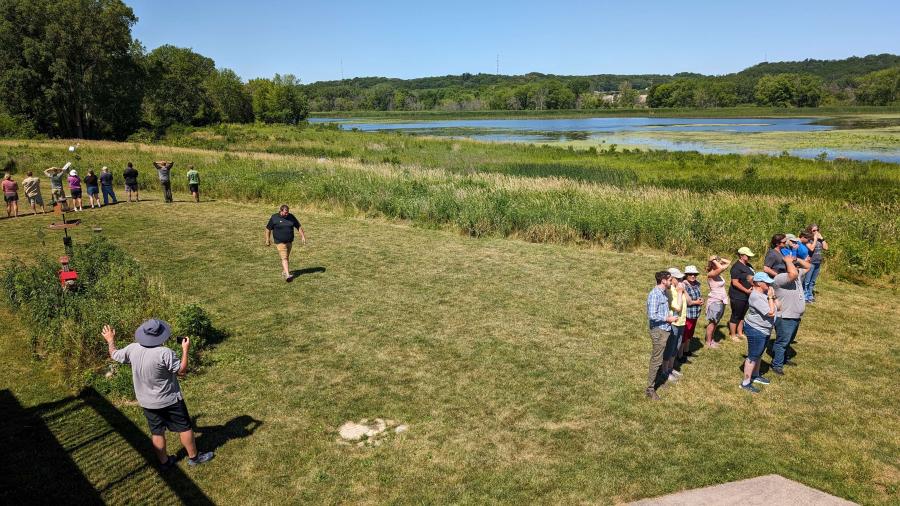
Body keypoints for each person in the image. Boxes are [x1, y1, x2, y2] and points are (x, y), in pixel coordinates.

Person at [102, 319, 214, 469]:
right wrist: (185, 350)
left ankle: (164, 462)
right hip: (170, 400)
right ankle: (194, 458)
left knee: (157, 432)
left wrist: (110, 340)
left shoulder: (132, 349)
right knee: (184, 427)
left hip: (147, 402)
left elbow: (114, 354)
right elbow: (181, 372)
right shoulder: (165, 353)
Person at [770, 252, 811, 376]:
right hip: (785, 317)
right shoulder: (780, 278)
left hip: (795, 316)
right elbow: (792, 274)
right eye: (794, 265)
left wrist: (796, 259)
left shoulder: (796, 275)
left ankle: (784, 358)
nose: (796, 267)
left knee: (788, 341)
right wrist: (788, 261)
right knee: (782, 341)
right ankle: (777, 364)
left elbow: (808, 266)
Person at [740, 272, 777, 393]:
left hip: (764, 329)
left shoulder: (764, 294)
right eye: (767, 282)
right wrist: (771, 298)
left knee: (759, 354)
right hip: (756, 329)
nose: (769, 284)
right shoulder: (756, 296)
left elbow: (779, 307)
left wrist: (772, 297)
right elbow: (771, 312)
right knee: (752, 356)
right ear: (759, 283)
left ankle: (755, 376)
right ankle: (745, 383)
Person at [645, 271, 679, 400]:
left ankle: (660, 380)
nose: (672, 281)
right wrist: (667, 319)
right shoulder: (654, 295)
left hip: (665, 329)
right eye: (670, 279)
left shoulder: (664, 292)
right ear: (663, 280)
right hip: (659, 331)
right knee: (656, 360)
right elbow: (652, 315)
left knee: (661, 357)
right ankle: (650, 389)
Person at [265, 204, 307, 282]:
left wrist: (303, 236)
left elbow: (298, 226)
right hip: (280, 242)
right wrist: (267, 239)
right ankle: (288, 275)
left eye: (288, 212)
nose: (287, 214)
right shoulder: (274, 218)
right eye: (285, 212)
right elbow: (268, 229)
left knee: (287, 257)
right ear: (281, 211)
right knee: (284, 257)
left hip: (289, 242)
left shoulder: (291, 217)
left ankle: (284, 271)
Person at [728, 247, 755, 341]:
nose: (749, 257)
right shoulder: (736, 267)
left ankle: (740, 332)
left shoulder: (749, 265)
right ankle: (733, 334)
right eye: (747, 256)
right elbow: (735, 282)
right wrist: (746, 290)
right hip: (738, 295)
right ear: (741, 255)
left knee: (742, 314)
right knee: (736, 314)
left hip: (747, 294)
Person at [704, 255, 730, 349]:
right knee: (712, 322)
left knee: (716, 322)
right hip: (715, 301)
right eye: (716, 262)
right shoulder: (711, 274)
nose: (719, 263)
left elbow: (728, 262)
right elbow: (720, 267)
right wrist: (714, 260)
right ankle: (708, 342)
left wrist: (718, 258)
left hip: (721, 300)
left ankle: (711, 340)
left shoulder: (718, 273)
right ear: (713, 264)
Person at [665, 268, 686, 380]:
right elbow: (678, 307)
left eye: (681, 278)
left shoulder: (679, 288)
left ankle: (670, 368)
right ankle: (665, 371)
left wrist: (683, 291)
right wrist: (679, 292)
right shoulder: (671, 291)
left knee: (676, 347)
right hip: (674, 322)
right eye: (678, 278)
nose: (680, 280)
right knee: (670, 347)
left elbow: (687, 300)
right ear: (671, 278)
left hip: (681, 321)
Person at [681, 265, 703, 360]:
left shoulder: (696, 284)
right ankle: (680, 355)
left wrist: (701, 300)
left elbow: (698, 295)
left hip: (695, 314)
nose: (693, 276)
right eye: (690, 274)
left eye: (695, 274)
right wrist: (697, 302)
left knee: (690, 334)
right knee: (685, 335)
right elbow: (687, 301)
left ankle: (686, 351)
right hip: (687, 314)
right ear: (686, 275)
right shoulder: (683, 285)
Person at [802, 225, 828, 303]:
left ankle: (810, 295)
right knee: (807, 280)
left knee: (813, 281)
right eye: (814, 230)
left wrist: (822, 239)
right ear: (810, 231)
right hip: (810, 262)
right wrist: (815, 239)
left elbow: (826, 248)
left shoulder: (820, 240)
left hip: (818, 262)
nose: (816, 232)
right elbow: (811, 248)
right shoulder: (808, 240)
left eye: (817, 230)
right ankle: (805, 295)